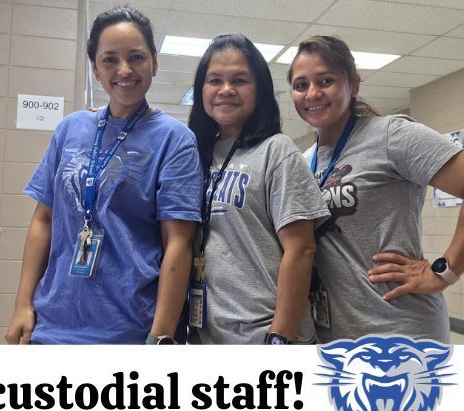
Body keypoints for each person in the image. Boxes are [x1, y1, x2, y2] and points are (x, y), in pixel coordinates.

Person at [6, 7, 202, 345]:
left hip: (128, 329)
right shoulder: (70, 129)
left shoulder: (175, 139)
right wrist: (23, 304)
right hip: (52, 322)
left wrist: (162, 335)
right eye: (110, 59)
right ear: (95, 68)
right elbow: (43, 219)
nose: (124, 70)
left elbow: (178, 243)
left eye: (136, 57)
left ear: (154, 61)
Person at [288, 35, 464, 342]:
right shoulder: (304, 161)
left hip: (402, 330)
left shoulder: (391, 135)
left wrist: (445, 270)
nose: (312, 93)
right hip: (334, 334)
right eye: (301, 85)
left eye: (325, 80)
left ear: (353, 85)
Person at [187, 35, 328, 345]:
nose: (226, 90)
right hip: (208, 336)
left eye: (239, 80)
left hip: (265, 336)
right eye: (215, 80)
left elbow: (301, 249)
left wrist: (280, 337)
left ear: (260, 90)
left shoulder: (276, 150)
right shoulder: (195, 154)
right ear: (201, 90)